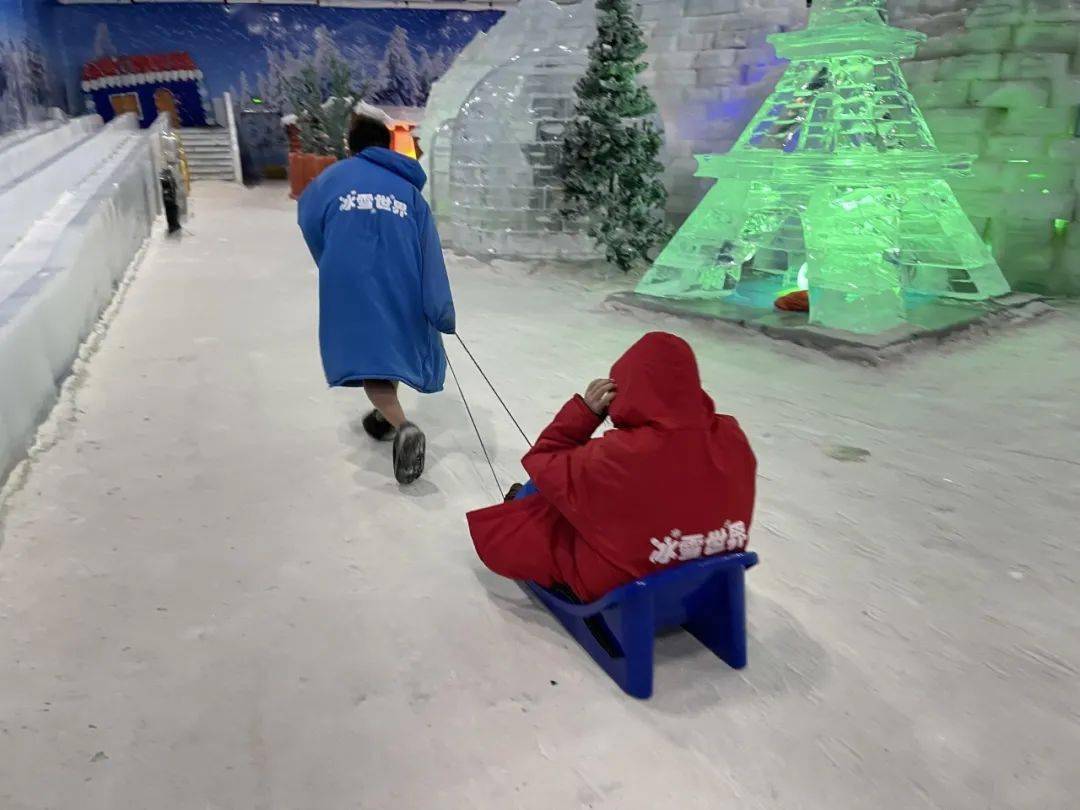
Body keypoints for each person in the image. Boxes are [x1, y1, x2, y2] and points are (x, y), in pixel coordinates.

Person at [467, 332, 757, 602]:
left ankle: (519, 507)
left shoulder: (620, 454)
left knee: (542, 511)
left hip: (626, 583)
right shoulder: (732, 435)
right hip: (712, 572)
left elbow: (542, 461)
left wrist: (584, 414)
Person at [298, 114, 455, 484]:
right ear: (387, 146)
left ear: (351, 146)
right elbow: (429, 251)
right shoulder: (408, 192)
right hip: (404, 283)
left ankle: (402, 425)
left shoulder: (331, 179)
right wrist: (440, 308)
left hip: (353, 285)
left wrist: (330, 258)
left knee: (372, 361)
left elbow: (309, 219)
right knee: (391, 352)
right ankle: (384, 417)